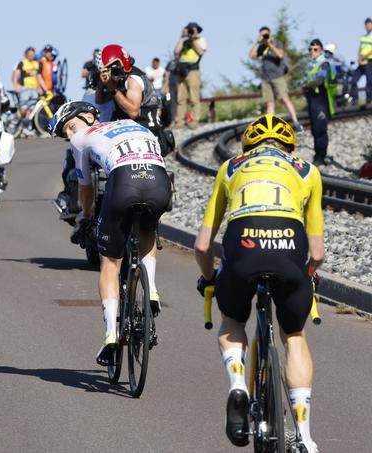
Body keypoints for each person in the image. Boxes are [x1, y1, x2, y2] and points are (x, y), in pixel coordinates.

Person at [194, 114, 323, 453]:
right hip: (289, 247)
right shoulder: (308, 172)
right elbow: (319, 253)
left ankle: (238, 384)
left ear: (247, 145)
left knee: (233, 319)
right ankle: (305, 438)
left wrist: (209, 280)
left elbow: (203, 246)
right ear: (289, 146)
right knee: (294, 334)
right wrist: (307, 277)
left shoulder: (230, 169)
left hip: (243, 245)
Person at [49, 101, 172, 365]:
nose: (70, 135)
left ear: (88, 117)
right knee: (148, 229)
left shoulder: (82, 138)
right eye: (66, 134)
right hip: (160, 182)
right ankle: (151, 291)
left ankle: (111, 336)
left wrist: (87, 217)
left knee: (110, 261)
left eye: (70, 126)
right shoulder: (134, 125)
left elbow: (85, 188)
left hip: (124, 182)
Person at [95, 44, 162, 138]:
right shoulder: (120, 79)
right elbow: (100, 100)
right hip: (133, 131)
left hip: (147, 133)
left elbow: (133, 112)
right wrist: (102, 82)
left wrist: (112, 88)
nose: (108, 73)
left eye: (109, 69)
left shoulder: (133, 80)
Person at [249, 26, 303, 132]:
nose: (264, 37)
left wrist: (269, 44)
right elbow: (251, 56)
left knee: (285, 99)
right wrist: (257, 43)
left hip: (278, 77)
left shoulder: (276, 43)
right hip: (266, 78)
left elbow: (280, 55)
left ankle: (296, 122)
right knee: (270, 103)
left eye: (266, 35)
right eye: (262, 35)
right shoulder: (261, 47)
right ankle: (270, 128)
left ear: (270, 34)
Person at [303, 39, 335, 166]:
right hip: (313, 98)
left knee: (320, 128)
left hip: (321, 98)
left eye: (315, 49)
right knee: (314, 129)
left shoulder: (324, 63)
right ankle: (318, 154)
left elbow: (321, 79)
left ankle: (321, 156)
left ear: (321, 50)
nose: (312, 52)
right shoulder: (311, 64)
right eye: (310, 49)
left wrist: (307, 85)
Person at [174, 22, 207, 129]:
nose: (191, 31)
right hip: (182, 70)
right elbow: (176, 52)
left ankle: (194, 121)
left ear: (197, 30)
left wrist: (192, 39)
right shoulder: (184, 41)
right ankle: (180, 121)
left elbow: (201, 52)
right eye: (189, 30)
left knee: (194, 97)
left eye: (193, 30)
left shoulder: (200, 40)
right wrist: (182, 38)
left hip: (193, 70)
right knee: (181, 97)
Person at [12, 46, 47, 121]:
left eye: (32, 54)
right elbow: (16, 75)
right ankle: (19, 124)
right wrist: (16, 86)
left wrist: (44, 89)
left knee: (32, 110)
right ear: (26, 54)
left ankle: (28, 127)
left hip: (34, 89)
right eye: (29, 54)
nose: (31, 55)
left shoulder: (37, 63)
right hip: (25, 88)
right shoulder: (22, 62)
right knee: (23, 109)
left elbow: (39, 77)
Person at [350, 17, 372, 108]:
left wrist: (365, 56)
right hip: (362, 62)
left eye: (369, 24)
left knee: (369, 81)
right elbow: (360, 48)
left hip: (369, 61)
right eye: (366, 25)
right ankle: (354, 98)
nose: (367, 26)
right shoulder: (363, 37)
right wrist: (359, 57)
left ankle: (369, 98)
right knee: (354, 79)